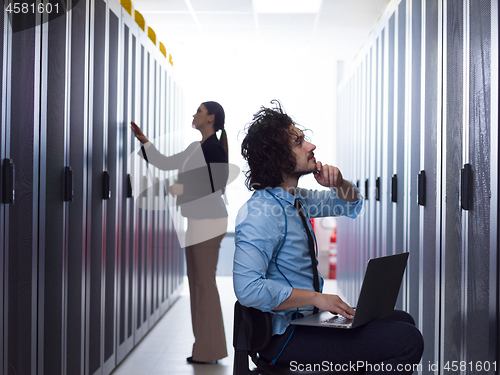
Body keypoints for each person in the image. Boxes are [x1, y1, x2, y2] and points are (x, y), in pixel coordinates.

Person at [233, 101, 424, 374]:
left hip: (305, 321)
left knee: (403, 320)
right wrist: (316, 297)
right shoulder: (260, 214)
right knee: (406, 341)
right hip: (284, 338)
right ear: (277, 156)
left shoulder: (296, 200)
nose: (311, 146)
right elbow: (248, 289)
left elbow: (349, 204)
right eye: (299, 142)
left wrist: (339, 184)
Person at [131, 101, 228, 364]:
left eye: (199, 111)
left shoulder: (214, 148)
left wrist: (182, 189)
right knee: (198, 283)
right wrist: (144, 141)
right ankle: (204, 349)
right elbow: (164, 162)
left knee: (204, 285)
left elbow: (216, 184)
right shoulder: (195, 147)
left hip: (209, 221)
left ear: (211, 118)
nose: (194, 115)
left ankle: (210, 350)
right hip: (197, 220)